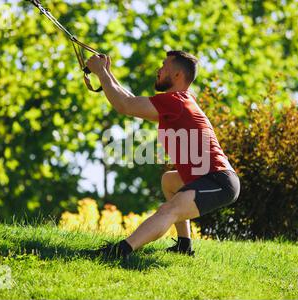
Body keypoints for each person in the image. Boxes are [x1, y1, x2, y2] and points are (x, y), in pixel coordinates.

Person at [86, 50, 240, 259]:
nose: (158, 70)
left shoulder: (176, 101)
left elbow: (125, 106)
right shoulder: (179, 101)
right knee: (169, 181)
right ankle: (184, 246)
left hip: (218, 181)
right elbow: (130, 100)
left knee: (169, 210)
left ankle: (118, 252)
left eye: (164, 65)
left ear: (177, 75)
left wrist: (101, 73)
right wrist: (106, 73)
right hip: (208, 176)